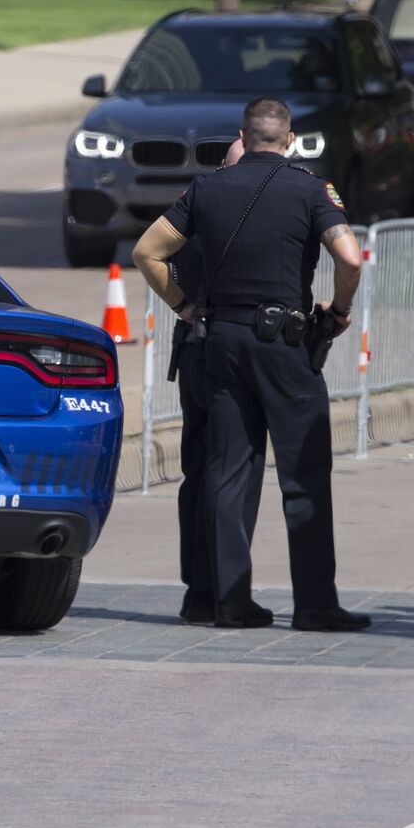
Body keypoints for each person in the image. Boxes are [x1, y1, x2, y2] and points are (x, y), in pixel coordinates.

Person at [132, 99, 368, 630]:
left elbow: (148, 252)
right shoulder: (310, 189)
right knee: (303, 472)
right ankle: (314, 605)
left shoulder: (207, 188)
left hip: (221, 341)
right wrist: (341, 308)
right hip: (284, 343)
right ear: (291, 140)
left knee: (228, 473)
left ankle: (230, 602)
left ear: (243, 135)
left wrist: (185, 305)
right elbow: (350, 257)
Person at [166, 138, 246, 624]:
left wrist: (179, 304)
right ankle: (219, 589)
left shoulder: (195, 204)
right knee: (225, 471)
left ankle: (197, 590)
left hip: (192, 345)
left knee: (198, 472)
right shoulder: (238, 210)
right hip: (219, 350)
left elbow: (149, 252)